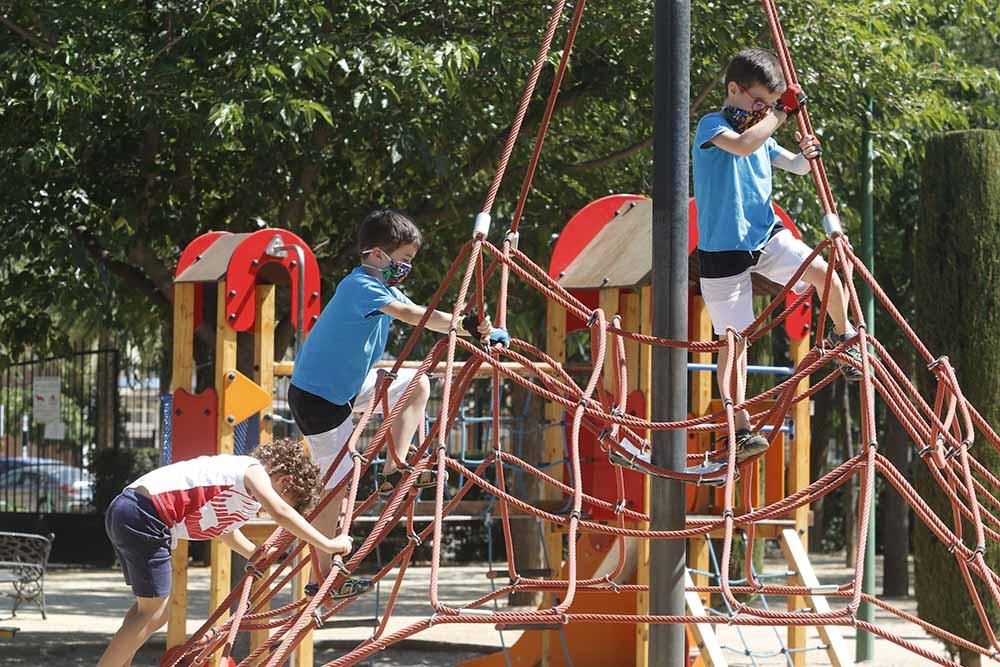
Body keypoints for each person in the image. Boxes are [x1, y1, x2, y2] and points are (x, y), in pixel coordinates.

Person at [288, 208, 508, 580]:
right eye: (403, 259)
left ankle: (393, 468)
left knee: (416, 384)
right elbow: (411, 314)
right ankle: (321, 574)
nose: (407, 267)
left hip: (347, 389)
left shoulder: (385, 287)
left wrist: (478, 331)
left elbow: (429, 316)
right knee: (338, 485)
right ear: (377, 255)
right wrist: (466, 326)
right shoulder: (359, 286)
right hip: (317, 399)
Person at [693, 47, 861, 462]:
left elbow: (796, 166)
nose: (762, 111)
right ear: (733, 89)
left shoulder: (758, 130)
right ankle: (739, 429)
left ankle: (842, 338)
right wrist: (779, 115)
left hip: (765, 237)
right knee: (735, 343)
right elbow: (745, 146)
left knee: (827, 273)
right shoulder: (712, 127)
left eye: (768, 104)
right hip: (723, 252)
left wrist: (807, 154)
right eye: (757, 102)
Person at [98, 438, 353, 667]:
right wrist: (327, 545)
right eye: (287, 500)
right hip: (146, 515)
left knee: (149, 611)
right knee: (154, 612)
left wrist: (252, 552)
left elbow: (222, 529)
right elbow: (281, 513)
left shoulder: (243, 497)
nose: (266, 510)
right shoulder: (252, 470)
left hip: (129, 512)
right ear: (285, 482)